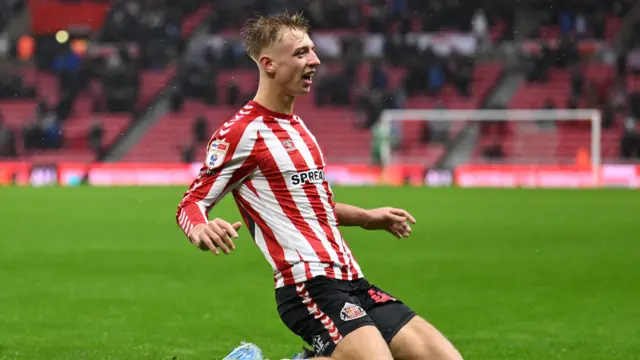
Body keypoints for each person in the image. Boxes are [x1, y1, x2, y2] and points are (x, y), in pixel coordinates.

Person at [175, 11, 463, 360]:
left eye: (311, 50)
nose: (315, 60)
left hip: (352, 281)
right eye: (301, 53)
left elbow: (313, 206)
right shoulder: (242, 132)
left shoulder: (301, 130)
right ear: (268, 64)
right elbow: (190, 203)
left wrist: (368, 217)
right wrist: (201, 229)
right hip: (307, 286)